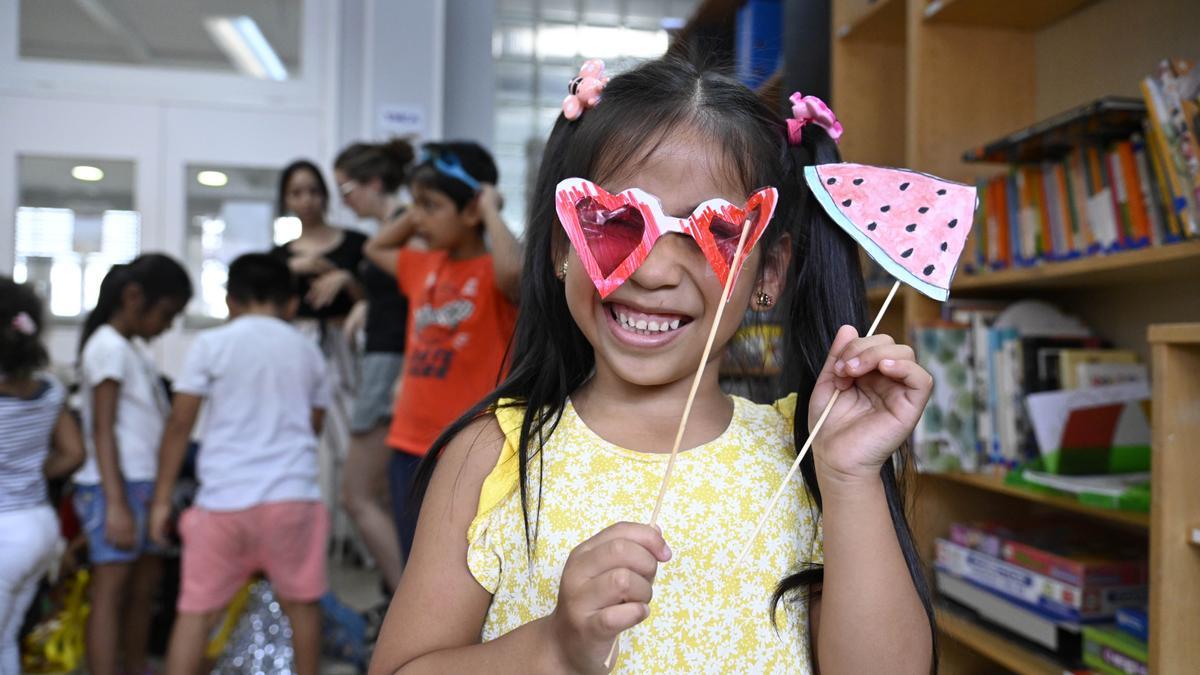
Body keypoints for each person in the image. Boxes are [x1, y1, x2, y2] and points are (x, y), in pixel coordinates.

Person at [368, 57, 937, 674]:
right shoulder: (491, 454)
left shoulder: (812, 456)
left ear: (767, 272)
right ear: (563, 246)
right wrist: (552, 648)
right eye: (615, 222)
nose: (654, 269)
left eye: (709, 231)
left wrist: (851, 480)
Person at [149, 253, 330, 675]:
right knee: (302, 608)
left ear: (231, 301)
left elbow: (180, 423)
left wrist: (161, 501)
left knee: (196, 614)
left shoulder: (212, 344)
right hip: (292, 499)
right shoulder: (307, 351)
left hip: (223, 504)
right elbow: (314, 424)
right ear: (290, 304)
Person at [363, 141, 521, 562]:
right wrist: (419, 205)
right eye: (415, 207)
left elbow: (514, 273)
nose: (417, 219)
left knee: (459, 562)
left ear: (470, 210)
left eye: (430, 206)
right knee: (414, 558)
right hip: (409, 443)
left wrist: (489, 208)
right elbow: (374, 248)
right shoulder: (423, 266)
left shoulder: (494, 273)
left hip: (467, 448)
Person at [74, 254, 192, 675]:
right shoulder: (106, 346)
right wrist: (117, 503)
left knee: (144, 590)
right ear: (133, 297)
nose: (168, 326)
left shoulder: (132, 349)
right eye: (166, 313)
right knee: (111, 593)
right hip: (114, 488)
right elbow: (102, 431)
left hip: (141, 484)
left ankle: (138, 664)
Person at [333, 138, 415, 594]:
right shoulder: (392, 229)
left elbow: (422, 299)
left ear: (374, 182)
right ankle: (400, 594)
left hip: (393, 367)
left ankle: (404, 599)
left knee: (357, 493)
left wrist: (404, 373)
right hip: (386, 362)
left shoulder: (407, 225)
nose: (343, 201)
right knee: (380, 495)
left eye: (346, 189)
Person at [0, 278, 85, 675]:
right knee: (7, 639)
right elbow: (73, 453)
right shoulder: (50, 390)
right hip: (37, 526)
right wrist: (30, 468)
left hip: (3, 534)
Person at [270, 159, 366, 510]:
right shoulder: (278, 258)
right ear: (285, 200)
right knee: (296, 434)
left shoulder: (357, 244)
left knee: (350, 432)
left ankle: (355, 532)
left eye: (313, 191)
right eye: (296, 193)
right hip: (295, 350)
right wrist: (291, 269)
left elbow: (378, 303)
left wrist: (346, 280)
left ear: (325, 195)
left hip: (345, 349)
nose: (306, 200)